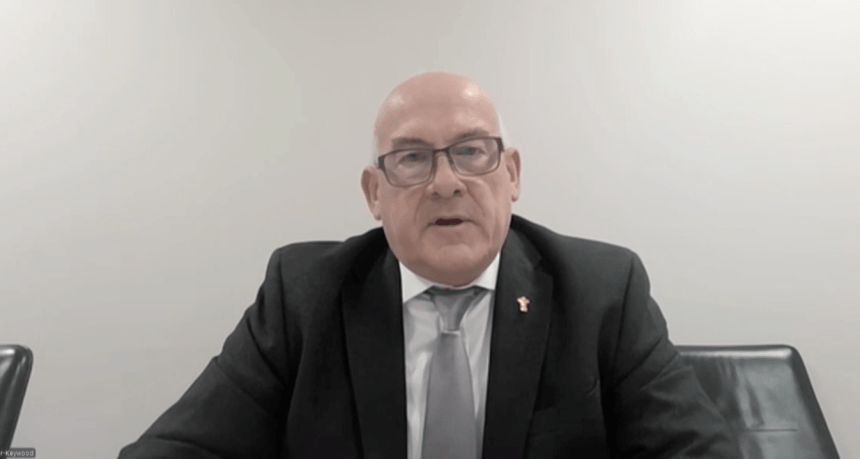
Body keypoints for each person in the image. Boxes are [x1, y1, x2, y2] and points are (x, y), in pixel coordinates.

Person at [118, 72, 740, 458]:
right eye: (412, 159)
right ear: (374, 194)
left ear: (512, 174)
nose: (447, 183)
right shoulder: (304, 295)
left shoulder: (604, 292)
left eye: (472, 152)